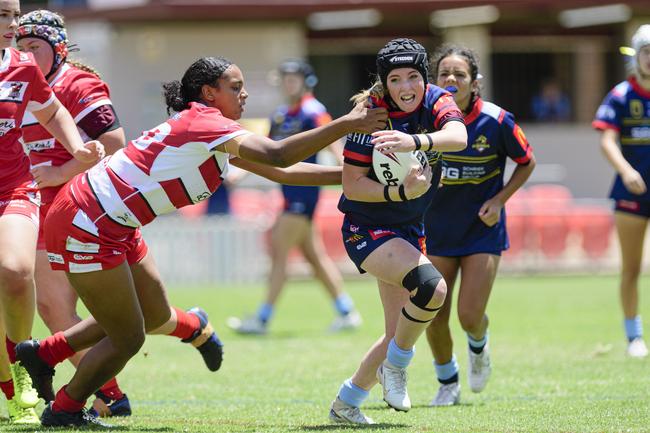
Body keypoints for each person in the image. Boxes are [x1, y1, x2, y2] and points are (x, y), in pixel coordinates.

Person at [15, 55, 386, 427]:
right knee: (127, 337)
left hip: (112, 219)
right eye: (236, 87)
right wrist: (348, 123)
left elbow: (281, 170)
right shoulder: (205, 122)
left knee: (155, 315)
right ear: (209, 93)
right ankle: (64, 409)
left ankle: (45, 354)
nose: (245, 95)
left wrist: (352, 176)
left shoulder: (211, 126)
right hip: (90, 220)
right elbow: (279, 153)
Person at [328, 38, 467, 425]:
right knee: (432, 289)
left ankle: (346, 402)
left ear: (424, 76)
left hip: (409, 227)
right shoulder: (369, 115)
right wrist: (401, 190)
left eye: (413, 77)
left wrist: (416, 141)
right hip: (365, 228)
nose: (406, 87)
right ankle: (397, 368)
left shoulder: (438, 100)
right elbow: (352, 185)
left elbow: (460, 138)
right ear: (383, 83)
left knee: (396, 333)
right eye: (395, 79)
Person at [15, 9, 132, 417]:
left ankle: (108, 394)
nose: (27, 55)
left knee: (130, 312)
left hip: (81, 207)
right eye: (22, 47)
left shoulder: (77, 84)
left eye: (36, 47)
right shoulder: (18, 83)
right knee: (53, 308)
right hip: (38, 205)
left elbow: (116, 145)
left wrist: (63, 171)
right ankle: (109, 396)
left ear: (58, 47)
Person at [0, 0, 104, 424]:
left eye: (13, 14)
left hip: (14, 187)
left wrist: (77, 148)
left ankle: (23, 370)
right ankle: (10, 389)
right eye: (1, 15)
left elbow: (51, 109)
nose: (11, 25)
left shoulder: (22, 66)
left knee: (15, 271)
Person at [424, 44, 535, 406]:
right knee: (433, 315)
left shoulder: (497, 120)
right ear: (435, 82)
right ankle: (448, 382)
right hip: (436, 229)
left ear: (475, 82)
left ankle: (479, 347)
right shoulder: (424, 119)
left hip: (481, 229)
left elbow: (526, 161)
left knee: (469, 316)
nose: (451, 79)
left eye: (459, 74)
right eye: (444, 74)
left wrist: (500, 200)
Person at [227, 59, 361, 335]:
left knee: (279, 252)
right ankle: (347, 312)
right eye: (285, 78)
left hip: (304, 195)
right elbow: (266, 149)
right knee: (315, 258)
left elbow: (334, 145)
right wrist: (238, 175)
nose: (289, 83)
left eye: (295, 78)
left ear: (307, 81)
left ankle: (262, 320)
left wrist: (351, 176)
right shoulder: (280, 115)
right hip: (289, 196)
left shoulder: (314, 112)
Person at [593, 24, 650, 358]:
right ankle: (634, 337)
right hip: (631, 192)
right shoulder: (621, 95)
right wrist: (626, 170)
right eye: (646, 52)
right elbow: (606, 139)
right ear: (636, 56)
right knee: (631, 268)